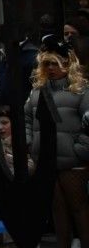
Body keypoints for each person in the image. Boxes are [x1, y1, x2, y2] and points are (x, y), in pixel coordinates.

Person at [25, 36, 89, 248]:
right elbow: (27, 119)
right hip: (47, 160)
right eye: (46, 63)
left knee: (79, 209)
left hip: (74, 163)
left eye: (55, 63)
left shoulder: (80, 91)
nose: (50, 68)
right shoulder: (37, 92)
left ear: (67, 64)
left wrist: (79, 149)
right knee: (57, 210)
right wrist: (30, 143)